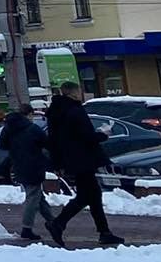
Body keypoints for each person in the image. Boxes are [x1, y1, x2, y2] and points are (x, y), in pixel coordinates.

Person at [45, 83, 124, 248]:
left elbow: (53, 139)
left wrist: (58, 162)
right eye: (79, 91)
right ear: (73, 93)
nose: (80, 94)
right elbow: (86, 136)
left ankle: (104, 232)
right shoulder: (75, 110)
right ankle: (58, 223)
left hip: (71, 159)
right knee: (86, 196)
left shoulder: (57, 111)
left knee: (93, 195)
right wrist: (103, 134)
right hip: (83, 159)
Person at [0, 101, 51, 241]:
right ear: (29, 114)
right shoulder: (32, 128)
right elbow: (46, 143)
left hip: (18, 164)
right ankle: (27, 228)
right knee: (33, 197)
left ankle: (53, 221)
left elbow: (2, 144)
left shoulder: (8, 127)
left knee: (37, 195)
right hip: (34, 165)